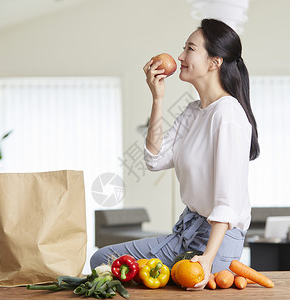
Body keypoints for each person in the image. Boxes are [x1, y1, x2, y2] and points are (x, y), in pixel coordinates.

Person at [90, 18, 259, 290]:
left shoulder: (228, 115)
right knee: (102, 259)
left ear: (215, 62)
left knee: (108, 266)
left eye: (190, 49)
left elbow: (227, 201)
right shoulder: (193, 111)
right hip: (186, 233)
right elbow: (154, 159)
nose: (180, 56)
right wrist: (157, 98)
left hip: (215, 241)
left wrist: (207, 260)